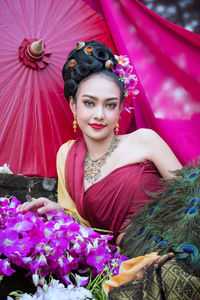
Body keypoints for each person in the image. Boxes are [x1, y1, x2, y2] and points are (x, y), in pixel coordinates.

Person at [20, 40, 182, 245]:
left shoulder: (145, 140)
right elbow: (85, 229)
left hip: (175, 247)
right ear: (73, 105)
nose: (99, 114)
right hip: (121, 264)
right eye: (89, 103)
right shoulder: (67, 155)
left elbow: (191, 198)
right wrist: (59, 213)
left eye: (110, 105)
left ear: (121, 107)